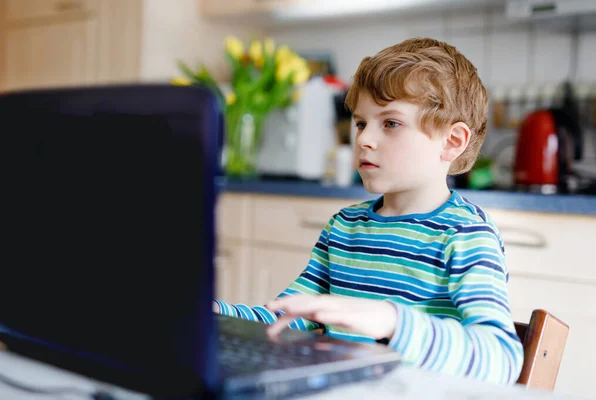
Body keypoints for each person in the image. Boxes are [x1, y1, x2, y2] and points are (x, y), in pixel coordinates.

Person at [213, 37, 524, 385]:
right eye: (361, 123)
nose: (363, 139)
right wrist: (210, 313)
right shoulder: (344, 227)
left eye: (390, 123)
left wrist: (392, 321)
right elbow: (290, 317)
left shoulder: (465, 235)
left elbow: (501, 360)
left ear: (451, 141)